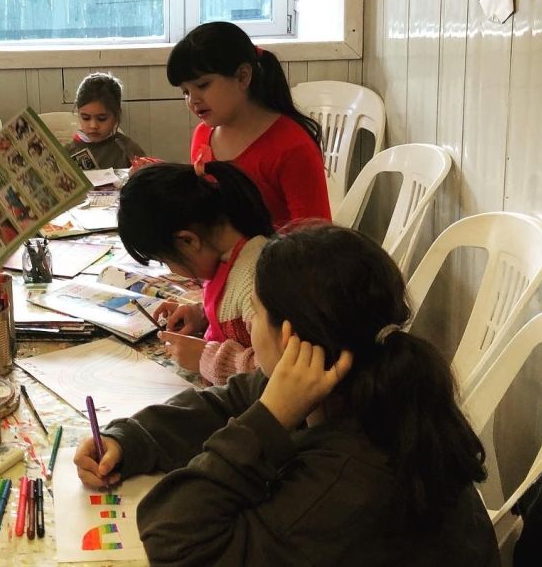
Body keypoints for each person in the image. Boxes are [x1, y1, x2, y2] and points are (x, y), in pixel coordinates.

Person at [73, 225, 499, 566]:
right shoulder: (363, 382)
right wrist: (130, 439)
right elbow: (228, 401)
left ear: (290, 338)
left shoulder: (345, 482)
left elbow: (172, 537)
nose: (251, 325)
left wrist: (270, 418)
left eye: (256, 313)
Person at [118, 160, 273, 385]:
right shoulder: (230, 257)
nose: (170, 270)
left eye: (164, 261)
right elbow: (236, 313)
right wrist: (203, 315)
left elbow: (278, 375)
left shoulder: (256, 283)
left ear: (188, 241)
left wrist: (206, 359)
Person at [167, 21, 330, 229]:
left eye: (202, 85)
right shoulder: (202, 135)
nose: (193, 100)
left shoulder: (292, 148)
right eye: (185, 92)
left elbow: (317, 237)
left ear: (242, 77)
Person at [62, 72, 145, 170]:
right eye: (86, 118)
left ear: (116, 115)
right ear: (78, 113)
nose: (93, 125)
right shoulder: (68, 152)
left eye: (102, 119)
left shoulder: (129, 150)